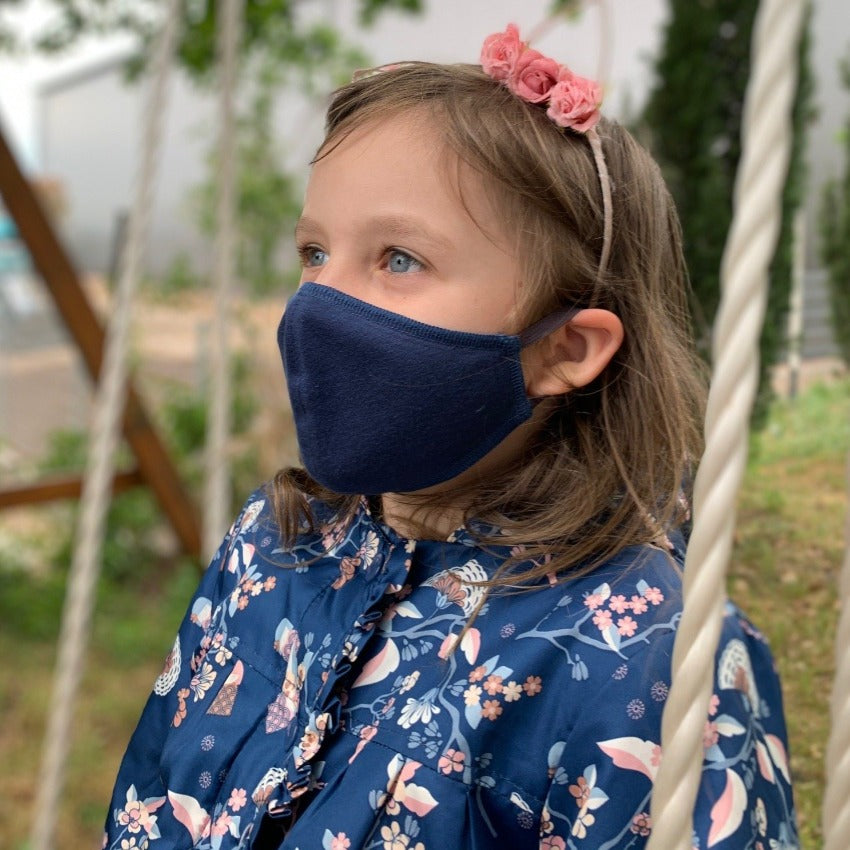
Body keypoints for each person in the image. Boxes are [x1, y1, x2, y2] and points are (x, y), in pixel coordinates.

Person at [104, 24, 797, 850]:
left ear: (565, 347)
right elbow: (154, 786)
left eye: (398, 259)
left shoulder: (652, 658)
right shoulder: (275, 542)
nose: (319, 303)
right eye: (314, 252)